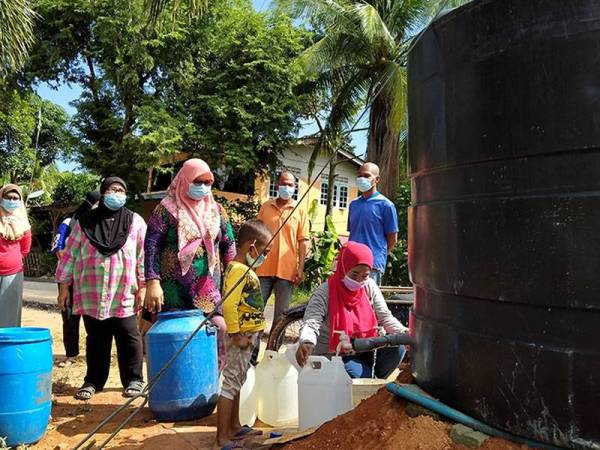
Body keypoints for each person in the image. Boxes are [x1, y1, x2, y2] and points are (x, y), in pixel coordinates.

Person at [56, 177, 146, 400]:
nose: (117, 194)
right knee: (96, 337)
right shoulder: (84, 223)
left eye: (121, 190)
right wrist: (64, 287)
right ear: (103, 193)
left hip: (123, 290)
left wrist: (143, 286)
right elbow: (69, 256)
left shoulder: (135, 222)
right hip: (91, 291)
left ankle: (134, 379)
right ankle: (93, 381)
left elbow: (143, 256)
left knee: (129, 335)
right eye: (112, 189)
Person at [144, 158, 236, 370]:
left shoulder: (217, 210)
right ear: (184, 180)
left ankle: (211, 377)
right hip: (171, 287)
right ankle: (171, 383)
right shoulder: (166, 209)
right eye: (198, 181)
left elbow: (229, 245)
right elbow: (151, 247)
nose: (203, 187)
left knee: (218, 328)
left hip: (206, 286)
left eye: (208, 182)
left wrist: (233, 275)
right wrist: (152, 282)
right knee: (171, 335)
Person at [295, 241, 407, 379]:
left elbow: (384, 317)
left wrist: (405, 334)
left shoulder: (369, 287)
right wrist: (307, 341)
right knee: (361, 376)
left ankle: (370, 384)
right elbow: (312, 321)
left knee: (397, 350)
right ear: (343, 267)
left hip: (367, 347)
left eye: (365, 276)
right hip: (337, 354)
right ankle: (365, 385)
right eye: (354, 275)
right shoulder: (325, 292)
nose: (359, 280)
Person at [215, 219, 272, 449]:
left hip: (248, 337)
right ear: (251, 247)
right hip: (241, 337)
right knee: (230, 384)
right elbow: (228, 305)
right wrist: (237, 334)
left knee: (238, 380)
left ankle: (234, 426)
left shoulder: (242, 268)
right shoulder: (238, 270)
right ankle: (222, 438)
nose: (265, 257)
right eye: (264, 252)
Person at [51, 190, 101, 364]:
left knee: (93, 317)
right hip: (69, 278)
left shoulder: (99, 223)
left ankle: (95, 354)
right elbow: (58, 248)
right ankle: (71, 353)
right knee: (70, 316)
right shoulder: (68, 223)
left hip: (90, 279)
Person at [256, 171, 309, 324]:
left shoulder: (300, 209)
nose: (287, 187)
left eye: (290, 185)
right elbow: (257, 234)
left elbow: (303, 241)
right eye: (284, 184)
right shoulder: (266, 207)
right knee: (255, 312)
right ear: (277, 185)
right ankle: (252, 348)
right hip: (263, 267)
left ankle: (273, 348)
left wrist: (301, 268)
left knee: (281, 317)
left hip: (287, 271)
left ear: (295, 187)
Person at [348, 162, 399, 285]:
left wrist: (377, 256)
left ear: (377, 179)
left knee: (369, 302)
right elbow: (352, 233)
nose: (361, 179)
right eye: (359, 175)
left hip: (372, 267)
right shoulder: (353, 205)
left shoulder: (386, 205)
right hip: (352, 264)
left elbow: (392, 239)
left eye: (366, 176)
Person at [0, 184, 32, 328]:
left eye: (15, 198)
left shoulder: (23, 223)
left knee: (10, 316)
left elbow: (25, 249)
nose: (12, 201)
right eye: (8, 197)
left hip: (13, 274)